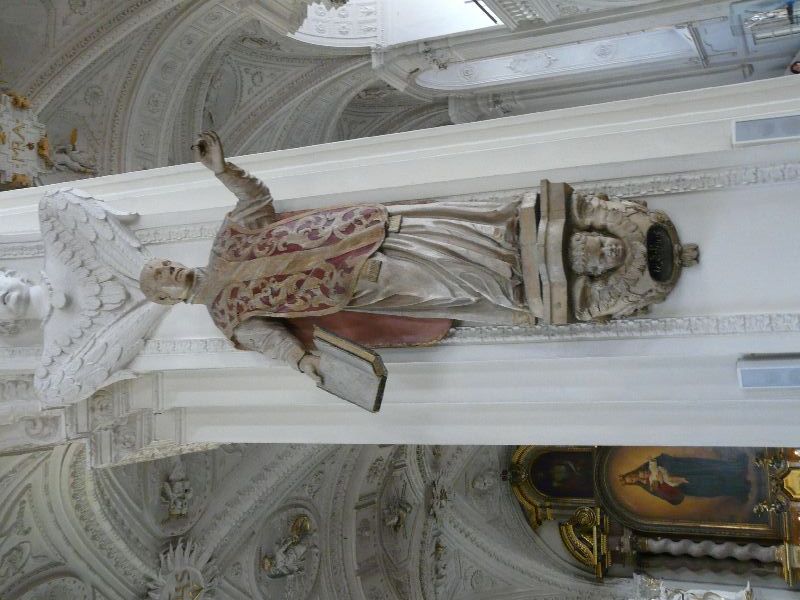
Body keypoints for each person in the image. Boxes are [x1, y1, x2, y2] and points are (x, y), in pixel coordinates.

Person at [139, 132, 627, 381]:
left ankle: (521, 245)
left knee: (446, 235)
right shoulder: (228, 318)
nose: (169, 270)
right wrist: (303, 364)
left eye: (163, 264)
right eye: (162, 277)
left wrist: (223, 170)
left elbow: (255, 201)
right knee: (444, 283)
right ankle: (520, 287)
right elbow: (274, 342)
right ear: (167, 299)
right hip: (357, 285)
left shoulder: (226, 240)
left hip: (363, 231)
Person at [619, 453, 751, 506]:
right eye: (631, 480)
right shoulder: (648, 486)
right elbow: (668, 495)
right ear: (633, 483)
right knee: (711, 485)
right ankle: (740, 487)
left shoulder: (645, 468)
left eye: (630, 476)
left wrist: (663, 468)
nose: (633, 478)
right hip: (684, 484)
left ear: (631, 473)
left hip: (684, 467)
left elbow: (661, 459)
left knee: (708, 467)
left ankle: (737, 467)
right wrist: (662, 483)